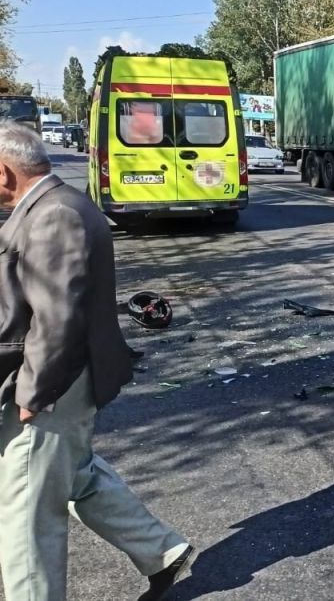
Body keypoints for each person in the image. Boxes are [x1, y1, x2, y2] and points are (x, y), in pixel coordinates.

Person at [0, 123, 195, 601]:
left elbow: (58, 316)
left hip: (48, 386)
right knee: (77, 475)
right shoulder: (50, 206)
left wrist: (34, 395)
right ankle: (162, 550)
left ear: (4, 172)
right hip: (59, 382)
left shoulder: (54, 214)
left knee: (27, 514)